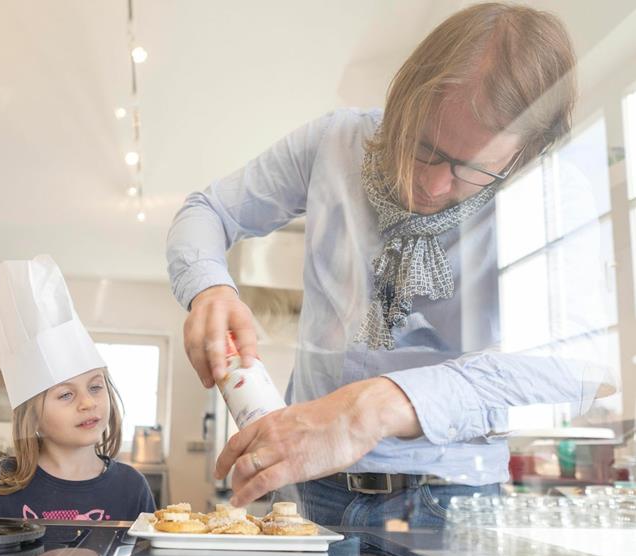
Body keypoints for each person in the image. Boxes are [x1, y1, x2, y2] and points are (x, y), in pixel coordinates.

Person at [167, 3, 614, 526]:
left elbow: (577, 364)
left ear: (522, 155)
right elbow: (208, 210)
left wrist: (374, 407)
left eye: (472, 170)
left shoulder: (550, 195)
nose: (433, 184)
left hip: (453, 498)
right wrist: (210, 290)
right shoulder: (336, 142)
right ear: (403, 98)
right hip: (316, 492)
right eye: (423, 145)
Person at [0, 255, 155, 520]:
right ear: (32, 417)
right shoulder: (1, 484)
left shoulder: (132, 487)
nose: (88, 402)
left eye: (95, 387)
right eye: (66, 394)